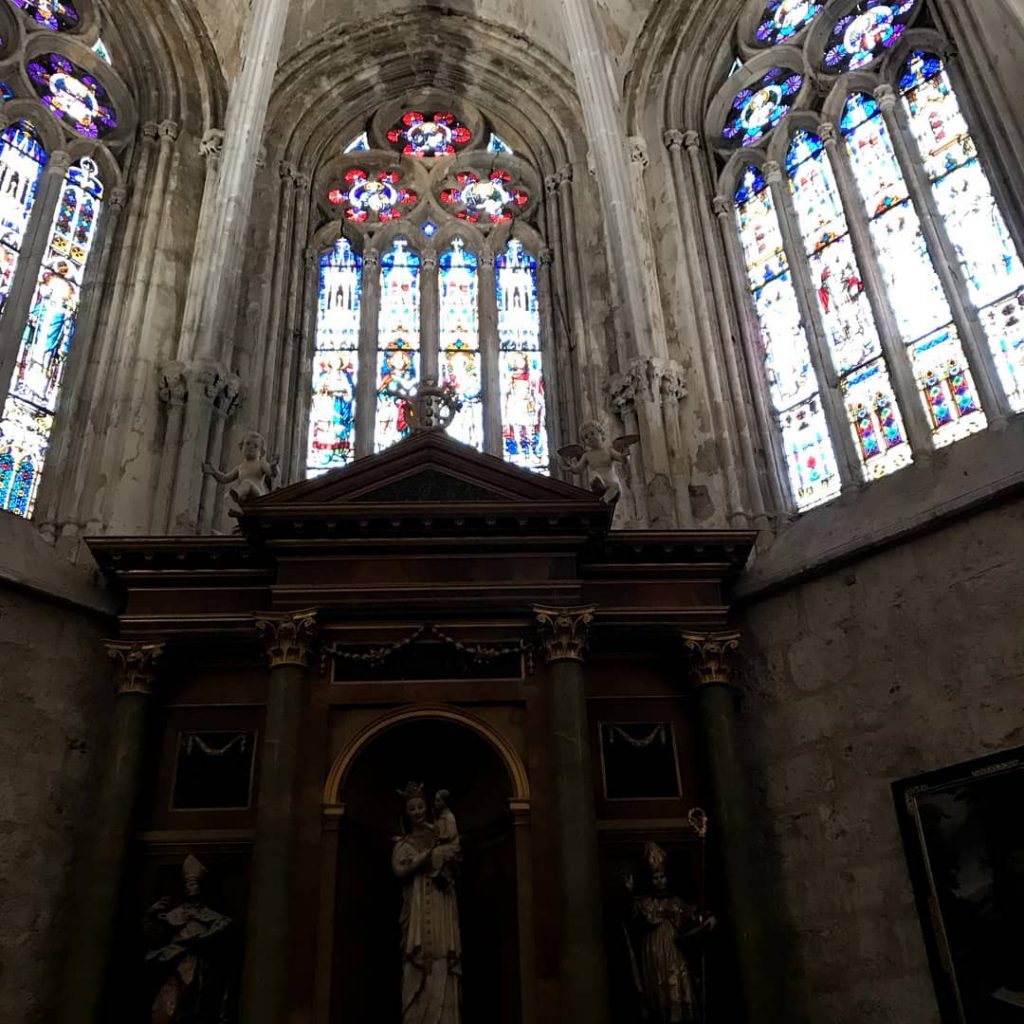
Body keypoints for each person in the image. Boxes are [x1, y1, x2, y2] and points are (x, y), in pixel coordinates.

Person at [392, 783, 462, 1024]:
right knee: (417, 957)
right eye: (412, 808)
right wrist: (424, 858)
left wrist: (443, 859)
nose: (418, 811)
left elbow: (456, 856)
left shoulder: (439, 833)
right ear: (406, 812)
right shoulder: (403, 843)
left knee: (443, 956)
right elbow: (399, 869)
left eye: (421, 806)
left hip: (442, 901)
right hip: (418, 905)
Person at [624, 843, 714, 1023]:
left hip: (674, 948)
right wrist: (629, 893)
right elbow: (632, 917)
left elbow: (694, 915)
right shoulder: (644, 902)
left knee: (678, 983)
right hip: (653, 950)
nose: (659, 881)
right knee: (658, 989)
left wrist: (707, 917)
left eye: (662, 877)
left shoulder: (676, 902)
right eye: (655, 877)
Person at [144, 855, 234, 1024]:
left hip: (200, 964)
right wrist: (152, 914)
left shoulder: (213, 917)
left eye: (193, 883)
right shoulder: (175, 914)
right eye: (188, 884)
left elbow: (220, 931)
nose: (191, 887)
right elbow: (154, 936)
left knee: (196, 1001)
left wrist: (203, 939)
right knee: (169, 1001)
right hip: (174, 960)